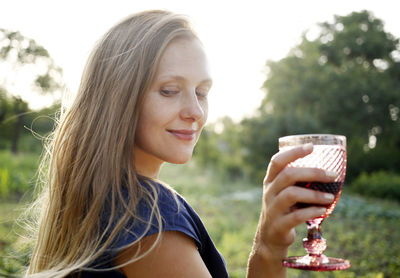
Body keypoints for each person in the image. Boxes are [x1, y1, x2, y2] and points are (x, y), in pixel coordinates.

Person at [26, 10, 336, 278]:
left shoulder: (99, 197)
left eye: (201, 92)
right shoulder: (147, 216)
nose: (195, 112)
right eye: (170, 90)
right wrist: (268, 246)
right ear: (118, 99)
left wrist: (271, 244)